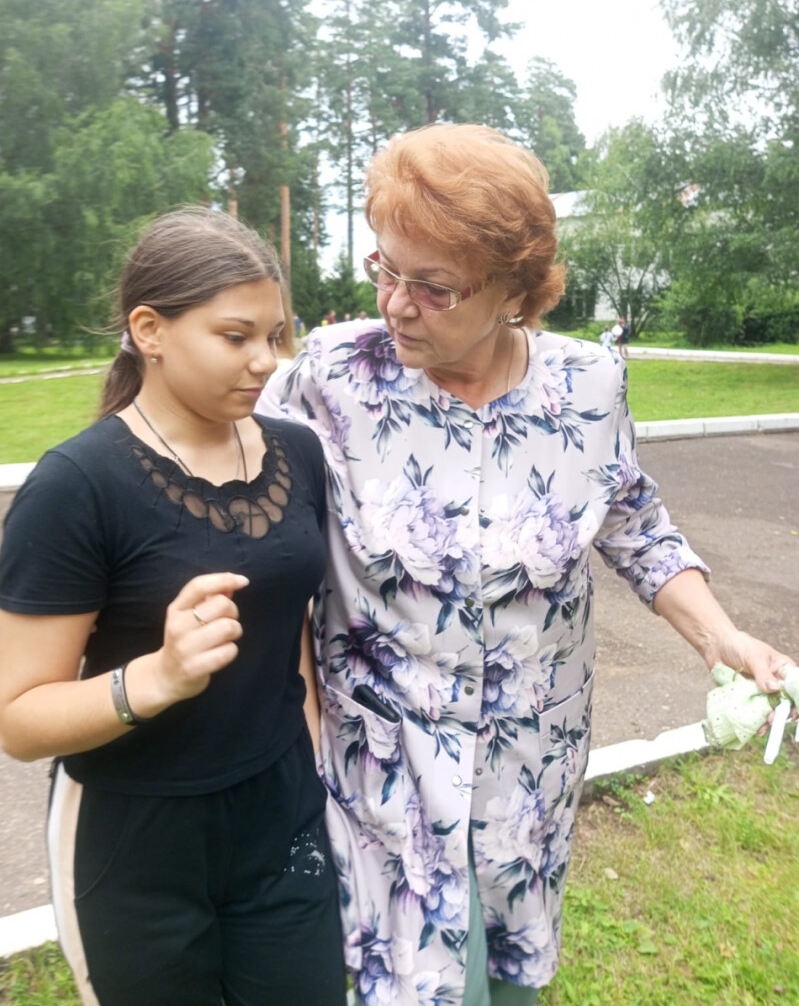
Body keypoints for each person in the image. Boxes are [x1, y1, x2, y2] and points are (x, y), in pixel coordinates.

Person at [257, 123, 796, 1006]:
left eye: (432, 286)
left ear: (514, 288)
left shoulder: (588, 386)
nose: (396, 304)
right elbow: (263, 549)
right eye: (385, 269)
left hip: (530, 764)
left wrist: (720, 637)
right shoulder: (329, 378)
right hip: (382, 763)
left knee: (509, 982)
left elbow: (634, 525)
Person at [0, 207, 347, 1006]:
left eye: (275, 334)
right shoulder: (77, 486)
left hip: (281, 813)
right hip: (134, 838)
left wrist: (308, 759)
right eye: (235, 335)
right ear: (149, 330)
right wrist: (154, 677)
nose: (265, 360)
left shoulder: (298, 453)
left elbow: (290, 626)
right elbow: (17, 718)